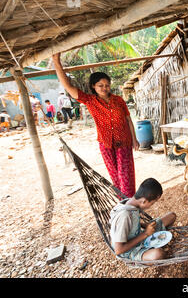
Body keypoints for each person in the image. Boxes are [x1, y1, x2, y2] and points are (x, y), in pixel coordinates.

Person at [52, 53, 140, 198]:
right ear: (93, 86)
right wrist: (56, 61)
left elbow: (128, 120)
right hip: (106, 144)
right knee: (116, 178)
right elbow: (68, 86)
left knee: (126, 177)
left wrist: (134, 139)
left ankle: (130, 205)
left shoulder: (118, 100)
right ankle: (123, 204)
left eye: (107, 85)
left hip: (124, 142)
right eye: (100, 85)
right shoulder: (90, 101)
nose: (104, 88)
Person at [109, 178, 176, 262]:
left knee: (171, 216)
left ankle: (151, 244)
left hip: (140, 235)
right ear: (144, 201)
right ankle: (150, 250)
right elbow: (118, 250)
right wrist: (145, 233)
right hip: (130, 250)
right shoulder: (124, 215)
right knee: (159, 254)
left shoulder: (131, 203)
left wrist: (145, 225)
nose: (151, 206)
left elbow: (130, 224)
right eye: (152, 203)